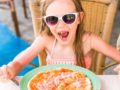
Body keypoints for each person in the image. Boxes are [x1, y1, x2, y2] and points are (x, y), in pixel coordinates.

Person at [0, 0, 120, 79]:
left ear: (80, 18)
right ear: (46, 22)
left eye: (68, 17)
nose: (61, 25)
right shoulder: (45, 39)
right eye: (52, 19)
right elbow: (21, 60)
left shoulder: (90, 40)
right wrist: (11, 68)